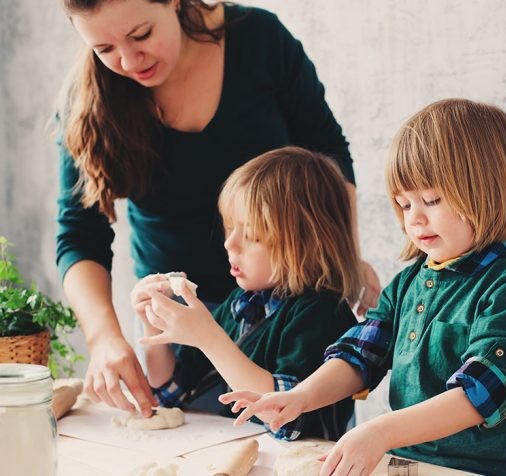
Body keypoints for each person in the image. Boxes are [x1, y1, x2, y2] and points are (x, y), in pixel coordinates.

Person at [55, 0, 380, 417]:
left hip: (288, 309)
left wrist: (341, 257)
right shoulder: (88, 100)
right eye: (104, 49)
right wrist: (104, 338)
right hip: (184, 317)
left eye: (141, 35)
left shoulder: (260, 39)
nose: (129, 60)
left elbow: (328, 156)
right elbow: (79, 233)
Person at [224, 99, 506, 475]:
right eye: (403, 204)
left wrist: (380, 431)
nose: (414, 218)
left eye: (430, 200)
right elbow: (360, 357)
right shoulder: (408, 283)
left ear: (485, 190)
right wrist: (300, 397)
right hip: (409, 465)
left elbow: (478, 396)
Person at [130, 146, 362, 440]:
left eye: (252, 235)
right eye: (230, 228)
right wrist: (153, 324)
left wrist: (208, 337)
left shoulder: (321, 312)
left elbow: (285, 421)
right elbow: (172, 395)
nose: (230, 244)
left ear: (308, 242)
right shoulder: (240, 304)